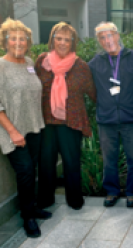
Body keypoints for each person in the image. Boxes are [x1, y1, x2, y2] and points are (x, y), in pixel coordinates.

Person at [0, 18, 46, 238]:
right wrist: (13, 131)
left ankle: (31, 207)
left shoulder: (29, 63)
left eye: (22, 39)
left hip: (34, 127)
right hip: (12, 131)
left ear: (28, 42)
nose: (18, 42)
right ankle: (28, 217)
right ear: (5, 41)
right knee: (24, 172)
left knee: (31, 170)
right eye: (13, 38)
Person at [35, 22, 96, 211]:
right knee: (46, 163)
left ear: (73, 43)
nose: (62, 43)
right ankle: (46, 199)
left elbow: (93, 93)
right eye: (58, 38)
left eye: (67, 40)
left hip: (71, 122)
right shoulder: (41, 62)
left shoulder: (81, 66)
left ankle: (74, 199)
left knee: (71, 162)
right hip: (46, 121)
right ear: (52, 40)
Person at [88, 22, 133, 209]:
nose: (107, 40)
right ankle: (112, 191)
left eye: (110, 35)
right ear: (99, 41)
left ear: (117, 35)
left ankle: (131, 193)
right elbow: (87, 86)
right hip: (106, 120)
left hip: (131, 118)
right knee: (109, 159)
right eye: (102, 37)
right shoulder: (95, 63)